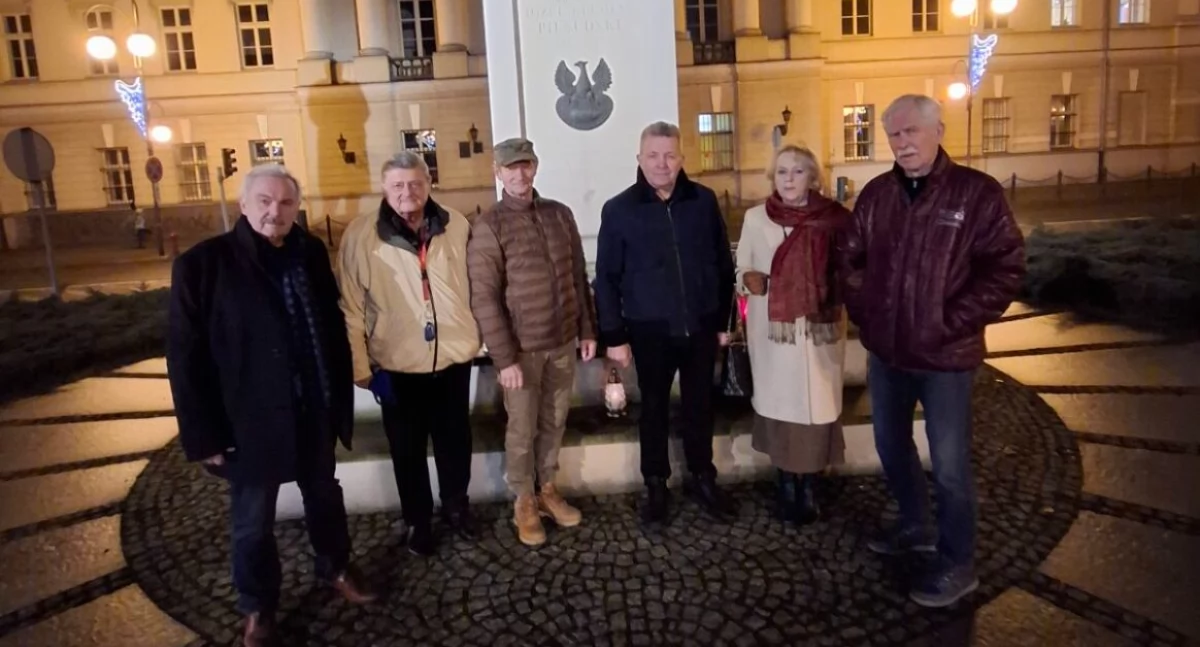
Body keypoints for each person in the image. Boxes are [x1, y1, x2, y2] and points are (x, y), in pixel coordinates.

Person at [166, 164, 375, 647]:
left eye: (284, 203)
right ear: (243, 205)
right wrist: (203, 436)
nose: (274, 212)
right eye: (264, 201)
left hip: (312, 411)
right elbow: (184, 357)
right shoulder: (203, 265)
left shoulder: (309, 252)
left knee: (325, 496)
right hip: (248, 423)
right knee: (252, 521)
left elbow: (326, 324)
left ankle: (336, 566)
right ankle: (258, 607)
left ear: (296, 208)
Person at [839, 94, 1025, 608]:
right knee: (890, 446)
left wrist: (949, 322)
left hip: (946, 359)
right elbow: (850, 258)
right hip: (888, 353)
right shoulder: (877, 195)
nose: (902, 142)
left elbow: (1005, 268)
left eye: (911, 131)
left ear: (937, 130)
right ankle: (915, 525)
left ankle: (958, 561)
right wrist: (869, 313)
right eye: (893, 134)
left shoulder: (976, 194)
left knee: (949, 465)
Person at [337, 151, 481, 557]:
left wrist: (478, 337)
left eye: (415, 183)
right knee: (407, 447)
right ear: (384, 188)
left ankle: (456, 505)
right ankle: (417, 519)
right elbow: (350, 307)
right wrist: (360, 366)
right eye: (398, 185)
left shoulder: (456, 225)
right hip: (397, 363)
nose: (408, 192)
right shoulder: (361, 236)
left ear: (429, 184)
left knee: (456, 439)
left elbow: (475, 286)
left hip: (453, 357)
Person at [593, 121, 737, 524]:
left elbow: (723, 264)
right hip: (649, 329)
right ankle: (655, 483)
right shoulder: (619, 209)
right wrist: (615, 336)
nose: (662, 163)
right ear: (639, 159)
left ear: (681, 158)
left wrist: (724, 319)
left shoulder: (703, 201)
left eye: (670, 155)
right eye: (653, 155)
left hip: (701, 324)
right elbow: (606, 278)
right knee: (653, 409)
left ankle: (701, 476)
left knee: (700, 406)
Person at [466, 137, 597, 547]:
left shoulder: (560, 215)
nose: (519, 173)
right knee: (521, 429)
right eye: (511, 167)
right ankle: (523, 498)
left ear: (535, 167)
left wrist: (588, 329)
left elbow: (578, 276)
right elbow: (484, 297)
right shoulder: (490, 225)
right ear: (498, 173)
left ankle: (547, 488)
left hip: (561, 343)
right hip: (520, 351)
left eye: (525, 165)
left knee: (554, 421)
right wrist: (504, 359)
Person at [737, 145, 850, 525]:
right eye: (782, 172)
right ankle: (786, 483)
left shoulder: (834, 219)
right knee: (782, 409)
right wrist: (746, 281)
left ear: (812, 177)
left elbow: (852, 268)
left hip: (820, 333)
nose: (788, 179)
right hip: (775, 335)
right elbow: (740, 271)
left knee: (816, 410)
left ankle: (810, 486)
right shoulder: (756, 219)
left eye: (797, 171)